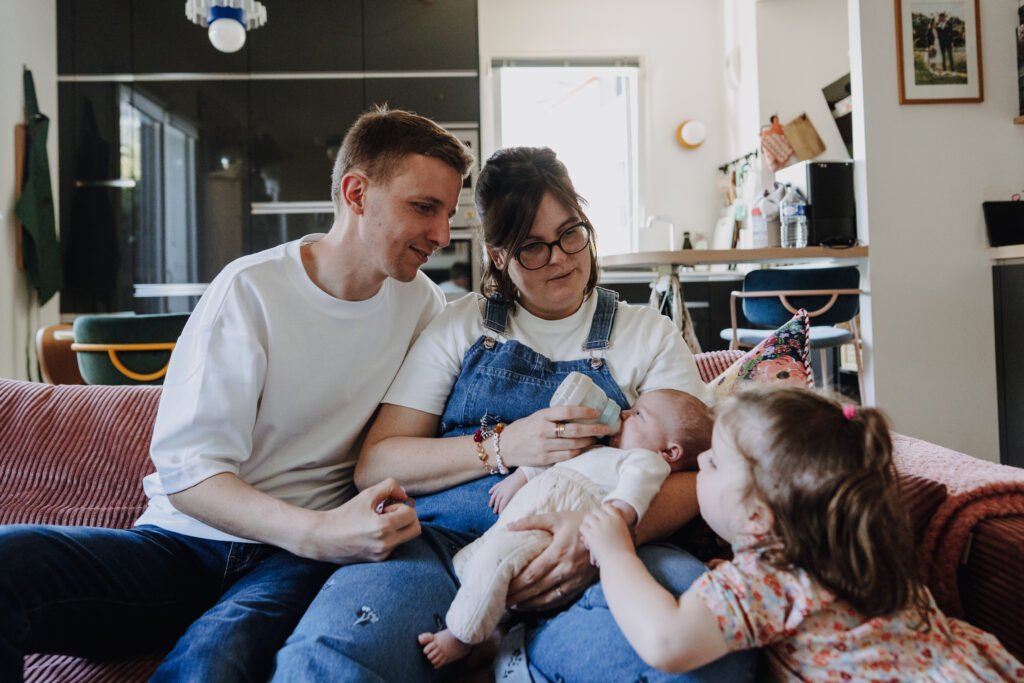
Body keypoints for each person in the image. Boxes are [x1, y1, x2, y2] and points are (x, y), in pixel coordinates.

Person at [0, 107, 474, 682]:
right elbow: (190, 473)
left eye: (448, 214)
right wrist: (317, 532)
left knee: (214, 663)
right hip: (185, 544)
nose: (442, 235)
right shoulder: (251, 290)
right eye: (423, 208)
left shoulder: (423, 305)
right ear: (355, 193)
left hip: (291, 565)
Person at [272, 147, 754, 682]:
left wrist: (602, 535)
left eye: (572, 233)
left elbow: (695, 473)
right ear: (498, 256)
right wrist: (502, 445)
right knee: (324, 663)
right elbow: (378, 463)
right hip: (444, 550)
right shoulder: (458, 326)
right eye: (532, 248)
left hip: (599, 556)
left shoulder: (647, 335)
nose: (562, 258)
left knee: (713, 654)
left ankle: (522, 656)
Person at [580, 385, 1024, 680]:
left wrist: (617, 552)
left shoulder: (767, 578)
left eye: (713, 462)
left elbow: (666, 642)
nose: (701, 468)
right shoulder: (858, 547)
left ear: (756, 516)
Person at [419, 388, 713, 669]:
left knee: (499, 560)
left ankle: (461, 635)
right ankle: (493, 629)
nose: (623, 413)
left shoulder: (644, 461)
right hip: (525, 512)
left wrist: (615, 517)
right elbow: (557, 458)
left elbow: (634, 491)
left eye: (638, 414)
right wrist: (519, 478)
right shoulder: (597, 448)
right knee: (475, 561)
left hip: (555, 527)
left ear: (670, 452)